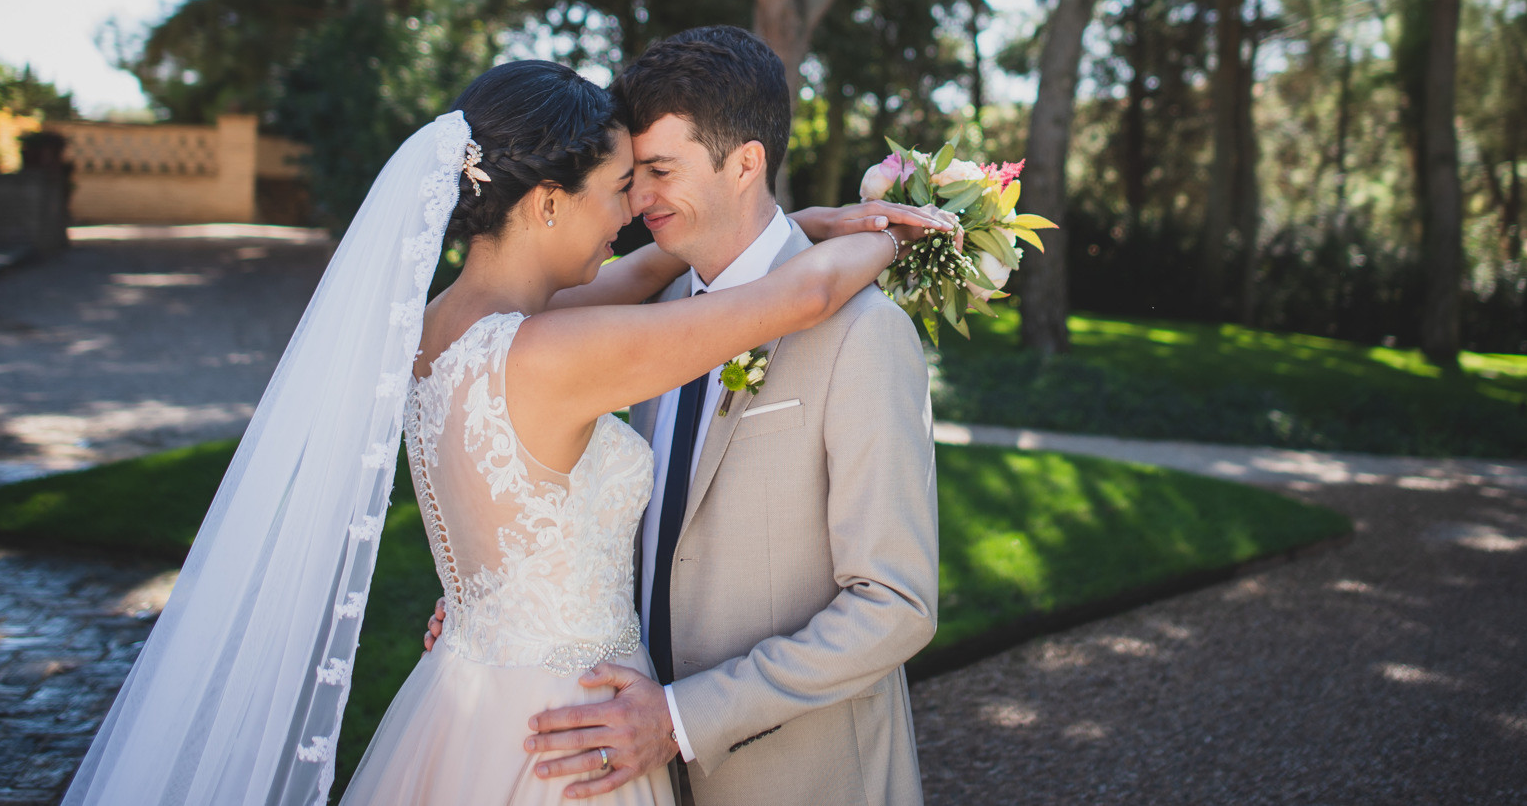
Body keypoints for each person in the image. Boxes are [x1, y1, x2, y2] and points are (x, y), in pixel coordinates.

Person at [59, 52, 948, 806]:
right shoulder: (557, 351)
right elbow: (796, 295)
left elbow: (643, 277)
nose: (631, 206)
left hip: (475, 693)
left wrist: (805, 224)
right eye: (616, 186)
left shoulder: (432, 330)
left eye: (649, 177)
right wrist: (898, 234)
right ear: (548, 201)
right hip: (566, 734)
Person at [427, 27, 945, 805]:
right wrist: (500, 596)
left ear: (745, 163)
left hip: (795, 777)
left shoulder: (865, 334)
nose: (636, 202)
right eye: (630, 176)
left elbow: (896, 604)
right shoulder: (646, 322)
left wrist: (678, 716)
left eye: (658, 171)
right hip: (609, 758)